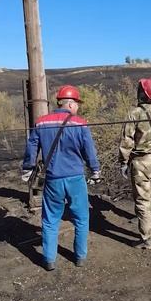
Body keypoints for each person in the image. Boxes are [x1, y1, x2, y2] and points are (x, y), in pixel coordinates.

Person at [21, 85, 101, 271]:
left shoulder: (41, 123)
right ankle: (80, 257)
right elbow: (89, 150)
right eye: (77, 104)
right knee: (81, 218)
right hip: (75, 179)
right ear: (71, 104)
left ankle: (49, 260)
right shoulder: (80, 123)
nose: (78, 108)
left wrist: (27, 169)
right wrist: (95, 170)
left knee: (50, 220)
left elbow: (31, 147)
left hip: (53, 179)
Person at [118, 78, 151, 250]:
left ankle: (147, 240)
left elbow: (127, 141)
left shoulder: (134, 113)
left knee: (143, 201)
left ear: (144, 93)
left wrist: (123, 162)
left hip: (140, 163)